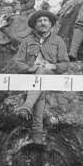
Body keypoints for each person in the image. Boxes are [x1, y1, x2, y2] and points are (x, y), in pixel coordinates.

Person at [12, 10, 69, 144]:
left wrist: (53, 67)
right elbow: (17, 62)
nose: (42, 23)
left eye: (45, 20)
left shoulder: (58, 41)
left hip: (50, 75)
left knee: (42, 72)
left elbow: (65, 63)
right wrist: (29, 68)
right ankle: (37, 134)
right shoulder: (27, 41)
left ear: (50, 24)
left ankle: (27, 106)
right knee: (40, 92)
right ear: (35, 25)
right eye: (39, 21)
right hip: (33, 77)